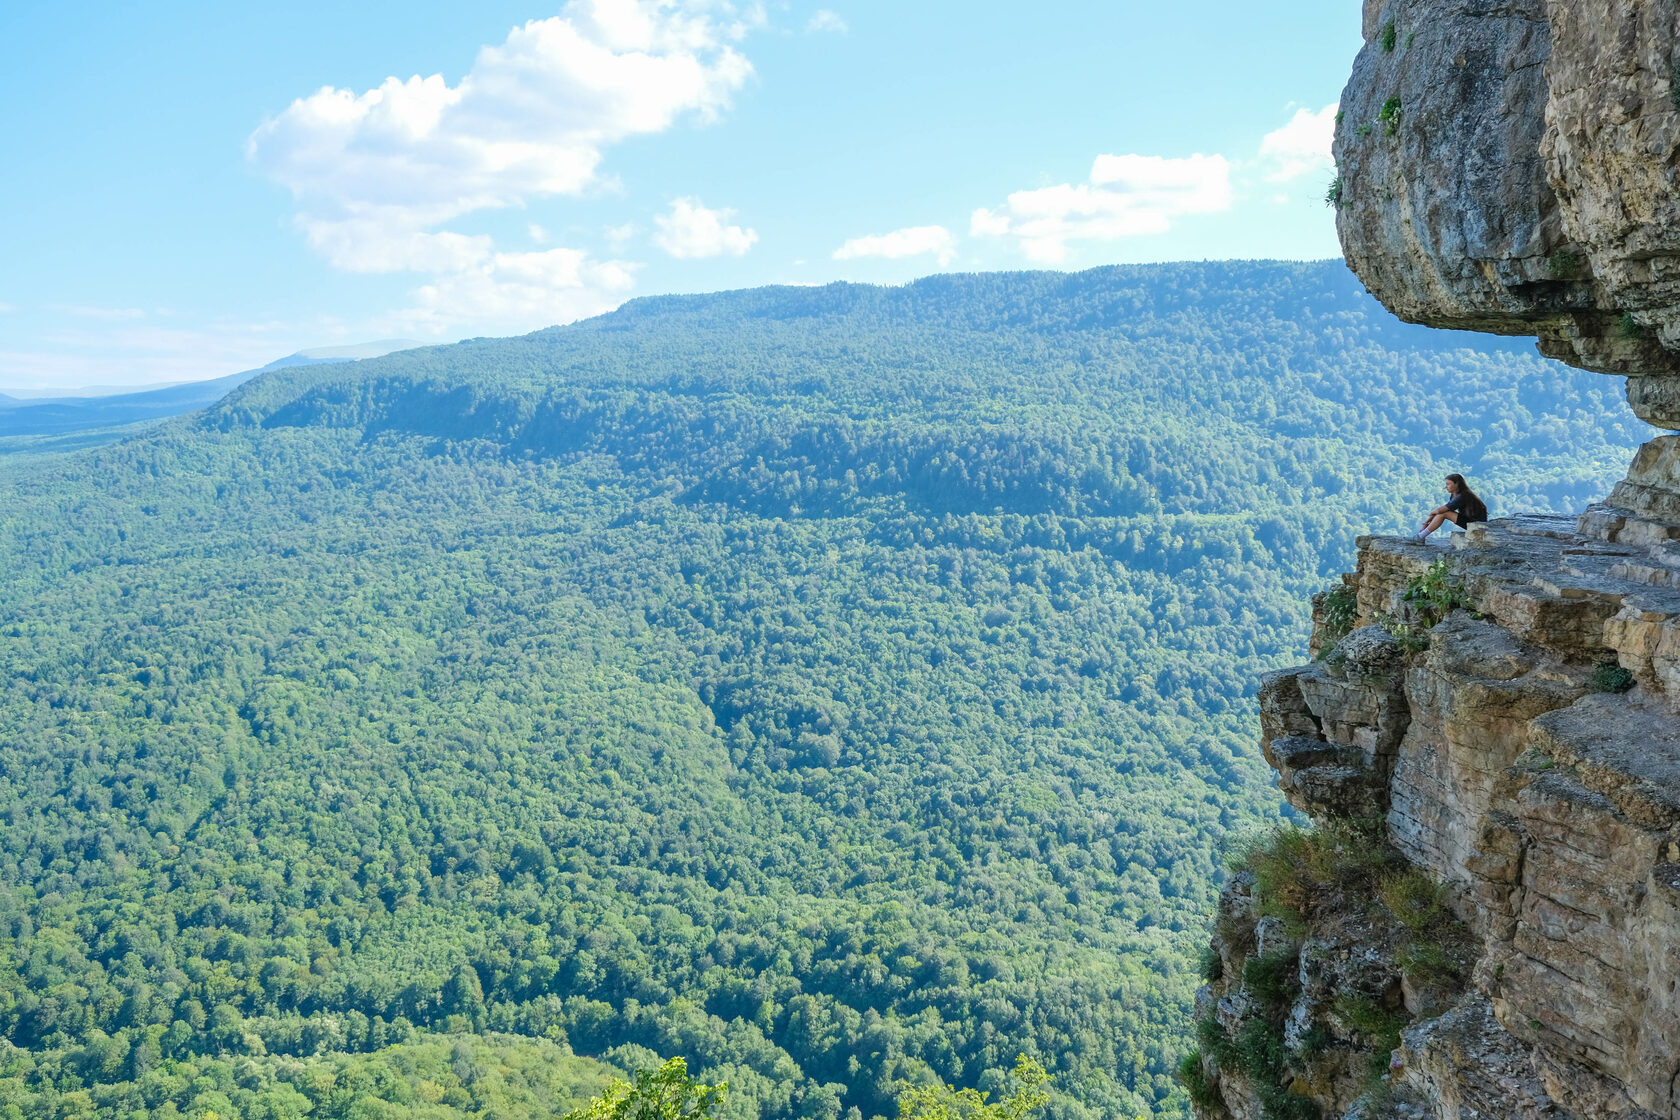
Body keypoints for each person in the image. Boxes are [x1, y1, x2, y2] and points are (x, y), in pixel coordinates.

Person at [1416, 473, 1488, 541]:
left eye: (1448, 484)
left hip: (1477, 525)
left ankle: (1421, 536)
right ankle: (1421, 535)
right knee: (1444, 512)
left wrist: (1427, 521)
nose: (1446, 486)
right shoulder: (1456, 495)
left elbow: (1440, 511)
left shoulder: (1462, 496)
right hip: (1471, 522)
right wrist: (1426, 523)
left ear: (1457, 484)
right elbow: (1442, 510)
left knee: (1444, 514)